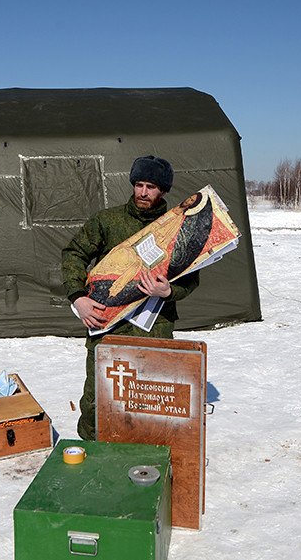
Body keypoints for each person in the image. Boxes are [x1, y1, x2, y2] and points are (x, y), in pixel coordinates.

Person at [62, 155, 200, 440]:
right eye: (139, 184)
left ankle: (147, 454)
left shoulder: (176, 228)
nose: (143, 192)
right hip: (108, 322)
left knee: (151, 396)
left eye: (151, 186)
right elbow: (74, 254)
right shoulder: (108, 221)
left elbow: (191, 276)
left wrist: (169, 291)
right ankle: (94, 451)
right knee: (98, 395)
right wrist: (78, 297)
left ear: (163, 191)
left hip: (155, 325)